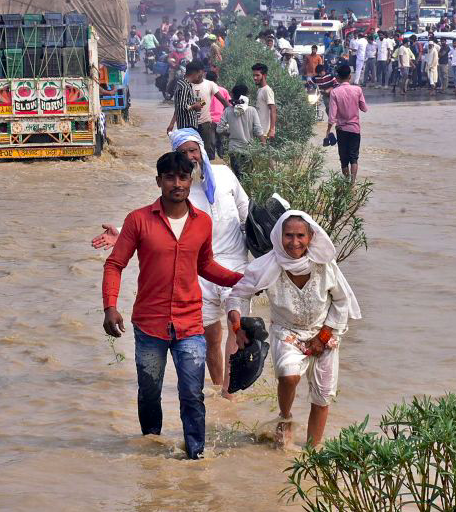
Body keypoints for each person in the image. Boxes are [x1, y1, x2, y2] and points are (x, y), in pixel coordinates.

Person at [102, 151, 243, 459]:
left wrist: (239, 280)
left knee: (192, 393)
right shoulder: (138, 220)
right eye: (170, 178)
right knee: (150, 393)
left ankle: (196, 457)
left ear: (190, 182)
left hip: (190, 323)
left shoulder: (202, 222)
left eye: (182, 177)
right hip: (150, 325)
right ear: (159, 182)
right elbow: (115, 264)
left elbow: (205, 265)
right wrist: (110, 306)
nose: (177, 184)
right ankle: (151, 453)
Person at [94, 129, 250, 399]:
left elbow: (246, 211)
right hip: (199, 271)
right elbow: (158, 222)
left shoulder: (224, 176)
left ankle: (228, 392)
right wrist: (121, 231)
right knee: (211, 335)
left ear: (201, 150)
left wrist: (260, 266)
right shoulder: (179, 191)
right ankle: (217, 387)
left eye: (193, 150)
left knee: (236, 324)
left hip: (234, 262)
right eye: (183, 153)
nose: (190, 157)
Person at [226, 211, 361, 448]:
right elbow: (238, 295)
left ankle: (312, 450)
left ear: (311, 237)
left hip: (324, 332)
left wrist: (324, 336)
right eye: (288, 235)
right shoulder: (266, 266)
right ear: (279, 236)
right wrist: (237, 325)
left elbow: (341, 301)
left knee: (323, 396)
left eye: (301, 235)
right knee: (289, 375)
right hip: (286, 331)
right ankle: (285, 417)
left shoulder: (324, 265)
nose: (294, 242)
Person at [327, 64, 367, 184]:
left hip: (341, 130)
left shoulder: (334, 93)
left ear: (337, 78)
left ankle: (346, 183)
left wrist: (328, 131)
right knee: (354, 157)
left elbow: (332, 115)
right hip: (355, 129)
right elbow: (364, 108)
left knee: (344, 159)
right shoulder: (358, 90)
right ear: (350, 76)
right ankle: (353, 183)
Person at [217, 84, 265, 179]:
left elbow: (219, 129)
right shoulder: (252, 110)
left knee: (237, 177)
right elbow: (258, 130)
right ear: (246, 96)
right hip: (248, 150)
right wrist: (264, 144)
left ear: (233, 96)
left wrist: (229, 133)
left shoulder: (228, 111)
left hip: (234, 150)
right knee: (248, 177)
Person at [187, 60, 229, 160]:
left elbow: (223, 100)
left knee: (208, 149)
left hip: (206, 123)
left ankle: (208, 170)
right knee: (190, 150)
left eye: (195, 72)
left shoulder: (210, 85)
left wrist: (233, 115)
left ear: (201, 72)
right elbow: (180, 106)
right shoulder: (186, 86)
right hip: (190, 123)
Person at [167, 60, 202, 133]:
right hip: (188, 125)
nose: (199, 76)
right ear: (195, 73)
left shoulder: (182, 84)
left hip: (185, 125)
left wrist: (172, 123)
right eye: (199, 74)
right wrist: (194, 106)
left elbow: (179, 105)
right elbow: (182, 107)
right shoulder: (185, 86)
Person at [207, 71, 229, 159]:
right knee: (220, 142)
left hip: (209, 121)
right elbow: (228, 105)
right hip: (221, 120)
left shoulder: (204, 91)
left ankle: (212, 160)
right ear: (216, 79)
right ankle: (221, 158)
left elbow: (201, 104)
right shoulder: (223, 91)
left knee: (211, 143)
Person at [252, 63, 277, 140]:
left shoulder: (267, 90)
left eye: (257, 75)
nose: (255, 78)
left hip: (264, 132)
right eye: (253, 75)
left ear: (264, 75)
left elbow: (273, 109)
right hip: (258, 130)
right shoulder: (260, 90)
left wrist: (272, 130)